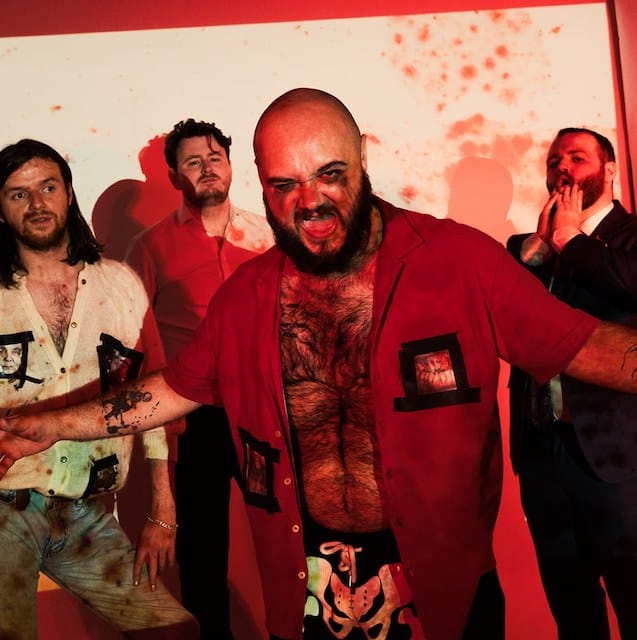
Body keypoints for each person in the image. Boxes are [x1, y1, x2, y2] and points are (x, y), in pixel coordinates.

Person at [1, 90, 637, 640]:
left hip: (445, 586)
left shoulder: (461, 261)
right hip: (307, 590)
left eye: (329, 174)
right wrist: (52, 425)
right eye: (284, 185)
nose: (309, 202)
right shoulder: (246, 296)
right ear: (260, 180)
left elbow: (589, 348)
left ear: (362, 154)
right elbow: (171, 389)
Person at [0, 138, 198, 639]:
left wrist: (162, 510)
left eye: (48, 188)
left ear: (69, 193)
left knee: (174, 631)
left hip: (87, 514)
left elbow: (154, 400)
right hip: (5, 512)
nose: (37, 203)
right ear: (0, 210)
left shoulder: (121, 285)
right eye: (18, 194)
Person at [124, 118, 273, 639]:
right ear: (174, 176)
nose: (207, 169)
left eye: (215, 158)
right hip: (192, 420)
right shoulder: (149, 247)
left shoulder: (268, 235)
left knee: (289, 538)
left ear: (230, 166)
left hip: (264, 412)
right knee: (203, 553)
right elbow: (134, 342)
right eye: (193, 162)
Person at [507, 127, 637, 639]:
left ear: (610, 171)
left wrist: (569, 238)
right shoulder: (530, 248)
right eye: (555, 159)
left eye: (578, 158)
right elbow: (506, 304)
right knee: (572, 608)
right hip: (543, 455)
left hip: (619, 461)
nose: (563, 167)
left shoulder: (630, 239)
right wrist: (543, 244)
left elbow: (627, 284)